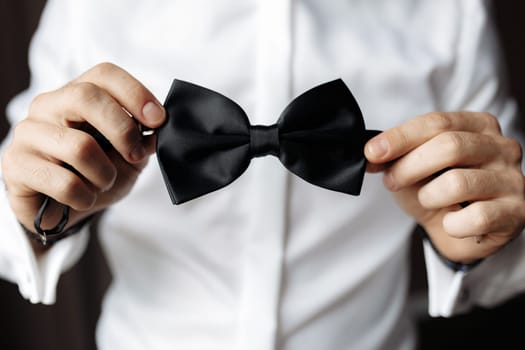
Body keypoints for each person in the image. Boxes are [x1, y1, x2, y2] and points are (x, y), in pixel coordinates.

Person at [1, 0, 525, 349]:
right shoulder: (87, 8)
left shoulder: (449, 12)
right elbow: (13, 209)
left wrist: (475, 240)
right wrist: (33, 209)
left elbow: (509, 238)